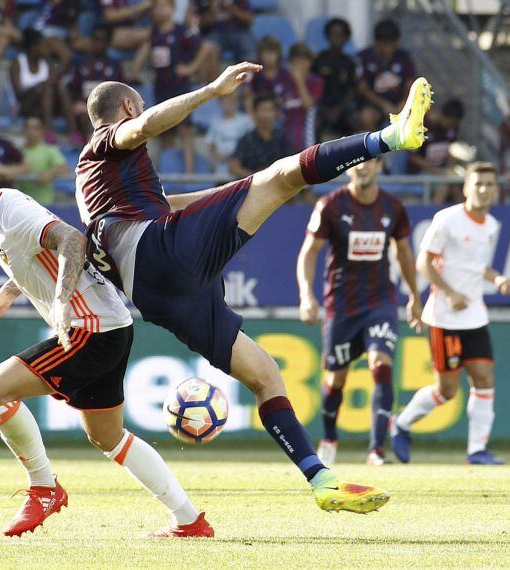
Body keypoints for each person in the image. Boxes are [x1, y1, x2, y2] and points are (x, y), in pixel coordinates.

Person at [77, 64, 433, 513]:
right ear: (127, 107)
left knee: (265, 374)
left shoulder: (98, 184)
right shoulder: (106, 141)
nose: (142, 114)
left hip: (157, 294)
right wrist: (211, 90)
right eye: (139, 107)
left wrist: (251, 187)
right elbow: (145, 127)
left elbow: (168, 204)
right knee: (286, 174)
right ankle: (389, 138)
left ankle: (321, 479)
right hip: (160, 252)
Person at [0, 139, 212, 538]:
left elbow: (72, 240)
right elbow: (34, 255)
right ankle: (190, 520)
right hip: (111, 325)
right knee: (107, 436)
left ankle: (44, 488)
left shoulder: (11, 211)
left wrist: (63, 304)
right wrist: (6, 294)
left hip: (91, 328)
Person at [296, 157, 422, 466]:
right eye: (357, 163)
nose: (363, 168)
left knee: (382, 363)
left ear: (380, 166)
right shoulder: (330, 205)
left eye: (370, 162)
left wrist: (415, 297)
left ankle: (376, 449)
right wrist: (306, 296)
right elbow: (308, 253)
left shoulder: (393, 207)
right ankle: (329, 437)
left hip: (381, 302)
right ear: (348, 167)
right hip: (342, 305)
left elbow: (404, 252)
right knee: (336, 379)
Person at [391, 162, 510, 465]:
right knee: (446, 391)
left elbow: (474, 265)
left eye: (489, 184)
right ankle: (401, 423)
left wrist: (495, 278)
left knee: (484, 379)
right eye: (478, 184)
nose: (484, 190)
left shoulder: (492, 226)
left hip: (475, 316)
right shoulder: (447, 219)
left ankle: (477, 450)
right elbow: (424, 264)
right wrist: (451, 292)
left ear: (496, 190)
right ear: (466, 187)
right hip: (445, 316)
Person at [130, 0, 217, 173]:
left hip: (180, 87)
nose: (161, 10)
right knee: (166, 132)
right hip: (161, 87)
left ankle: (189, 173)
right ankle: (169, 174)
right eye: (157, 7)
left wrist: (191, 67)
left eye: (164, 6)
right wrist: (136, 70)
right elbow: (150, 54)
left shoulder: (181, 30)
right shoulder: (154, 33)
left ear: (173, 9)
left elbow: (206, 47)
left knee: (185, 131)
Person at [356, 19, 416, 129]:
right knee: (367, 117)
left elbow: (410, 84)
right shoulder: (364, 57)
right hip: (374, 105)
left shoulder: (404, 57)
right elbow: (362, 88)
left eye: (392, 44)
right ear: (377, 42)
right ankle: (374, 145)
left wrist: (403, 105)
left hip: (400, 103)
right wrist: (384, 104)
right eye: (385, 44)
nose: (388, 48)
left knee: (419, 117)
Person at [312, 17, 357, 139]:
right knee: (314, 123)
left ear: (346, 38)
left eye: (340, 35)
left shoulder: (349, 63)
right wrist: (324, 108)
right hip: (322, 107)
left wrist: (339, 109)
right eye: (333, 34)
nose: (336, 38)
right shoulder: (318, 60)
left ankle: (352, 155)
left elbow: (352, 90)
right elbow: (313, 87)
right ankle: (313, 155)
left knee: (355, 122)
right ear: (327, 36)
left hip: (342, 107)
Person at [229, 94, 291, 178]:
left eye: (270, 110)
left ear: (275, 113)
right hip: (253, 187)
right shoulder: (246, 140)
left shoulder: (282, 138)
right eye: (263, 110)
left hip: (279, 186)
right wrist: (257, 178)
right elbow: (234, 167)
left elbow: (291, 165)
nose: (267, 114)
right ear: (254, 113)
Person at [282, 43, 323, 151]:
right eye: (297, 61)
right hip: (285, 126)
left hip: (306, 127)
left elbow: (308, 104)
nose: (300, 65)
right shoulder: (284, 80)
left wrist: (299, 81)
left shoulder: (315, 81)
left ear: (310, 63)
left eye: (304, 61)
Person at [20, 116, 69, 205]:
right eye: (27, 128)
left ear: (41, 130)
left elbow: (64, 167)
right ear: (23, 130)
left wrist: (49, 173)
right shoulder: (17, 151)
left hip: (43, 205)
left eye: (34, 128)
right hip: (19, 205)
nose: (30, 131)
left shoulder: (49, 150)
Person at [205, 90, 253, 177]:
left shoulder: (246, 121)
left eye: (232, 100)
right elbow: (211, 145)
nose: (229, 103)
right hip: (221, 169)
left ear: (237, 102)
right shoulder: (215, 123)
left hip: (242, 167)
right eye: (225, 101)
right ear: (220, 103)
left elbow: (252, 142)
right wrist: (218, 156)